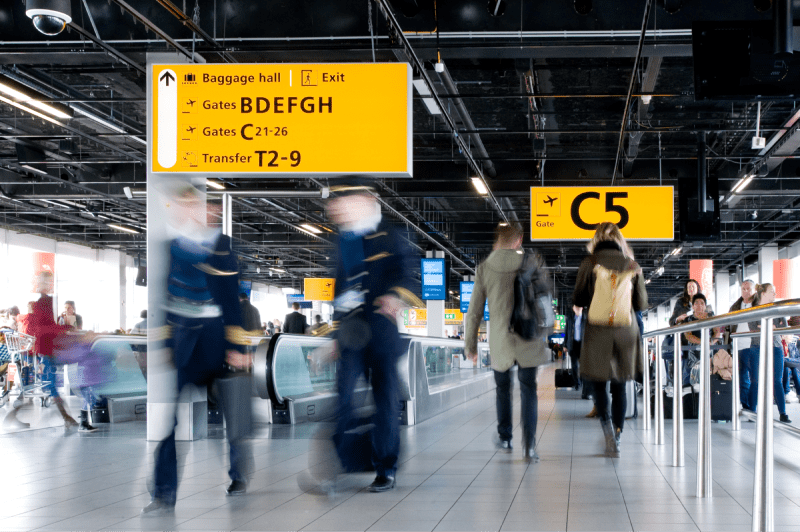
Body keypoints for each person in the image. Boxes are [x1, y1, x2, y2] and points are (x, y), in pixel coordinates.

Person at [143, 187, 253, 515]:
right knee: (169, 421)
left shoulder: (221, 246)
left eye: (192, 204)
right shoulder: (171, 246)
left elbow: (231, 300)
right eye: (181, 204)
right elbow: (161, 298)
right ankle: (163, 492)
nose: (185, 210)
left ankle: (239, 474)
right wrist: (162, 343)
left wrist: (236, 347)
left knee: (233, 415)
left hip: (218, 341)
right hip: (184, 344)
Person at [323, 176, 422, 492]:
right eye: (333, 202)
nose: (335, 209)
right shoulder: (342, 240)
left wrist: (395, 295)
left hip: (381, 333)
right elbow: (339, 292)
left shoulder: (390, 235)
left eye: (342, 201)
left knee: (385, 402)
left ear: (365, 199)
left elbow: (408, 277)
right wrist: (334, 336)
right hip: (350, 335)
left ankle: (385, 467)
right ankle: (344, 462)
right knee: (343, 399)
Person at [465, 222, 549, 462]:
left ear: (498, 239)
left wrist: (470, 345)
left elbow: (474, 312)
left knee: (503, 389)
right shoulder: (532, 262)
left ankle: (505, 437)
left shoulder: (484, 268)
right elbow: (543, 300)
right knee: (528, 389)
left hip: (501, 340)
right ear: (519, 239)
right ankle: (529, 446)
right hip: (528, 337)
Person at [573, 222, 647, 458]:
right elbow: (640, 304)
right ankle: (618, 433)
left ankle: (606, 429)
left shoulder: (590, 262)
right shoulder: (632, 264)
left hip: (597, 330)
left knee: (599, 384)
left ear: (596, 240)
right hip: (626, 330)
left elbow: (580, 297)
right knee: (619, 386)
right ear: (620, 240)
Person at [28, 272, 77, 429]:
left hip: (49, 346)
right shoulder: (43, 303)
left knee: (51, 382)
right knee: (52, 382)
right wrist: (65, 328)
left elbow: (45, 326)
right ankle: (66, 416)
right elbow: (44, 328)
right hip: (48, 347)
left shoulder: (47, 302)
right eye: (47, 281)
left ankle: (66, 416)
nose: (50, 284)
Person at [742, 283, 790, 423]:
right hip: (757, 347)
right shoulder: (754, 310)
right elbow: (753, 328)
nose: (774, 295)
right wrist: (773, 326)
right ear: (763, 294)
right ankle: (752, 411)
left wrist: (764, 325)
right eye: (772, 292)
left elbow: (783, 327)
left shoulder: (777, 309)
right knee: (756, 380)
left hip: (775, 347)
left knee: (777, 381)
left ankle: (783, 413)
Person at [727, 279, 757, 411]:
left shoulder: (759, 304)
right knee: (742, 379)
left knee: (755, 379)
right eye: (743, 289)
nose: (745, 291)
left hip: (754, 345)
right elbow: (729, 324)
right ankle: (745, 406)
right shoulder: (735, 306)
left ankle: (753, 406)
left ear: (754, 290)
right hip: (738, 346)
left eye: (748, 289)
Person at [565, 305, 587, 398]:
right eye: (575, 307)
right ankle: (577, 383)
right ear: (573, 308)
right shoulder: (570, 318)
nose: (577, 308)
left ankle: (582, 382)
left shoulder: (585, 318)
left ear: (582, 308)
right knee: (574, 366)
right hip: (573, 344)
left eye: (579, 307)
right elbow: (567, 331)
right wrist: (565, 345)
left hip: (582, 345)